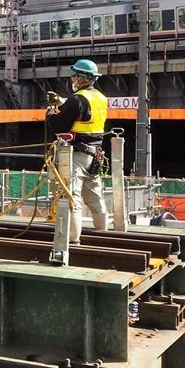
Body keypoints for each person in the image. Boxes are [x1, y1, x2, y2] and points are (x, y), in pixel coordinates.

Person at [46, 58, 109, 243]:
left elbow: (59, 126)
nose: (72, 79)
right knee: (95, 199)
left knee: (72, 198)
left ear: (81, 78)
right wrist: (61, 102)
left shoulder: (77, 99)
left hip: (78, 156)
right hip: (95, 155)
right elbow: (82, 110)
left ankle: (72, 241)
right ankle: (104, 237)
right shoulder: (100, 98)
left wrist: (51, 113)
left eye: (74, 76)